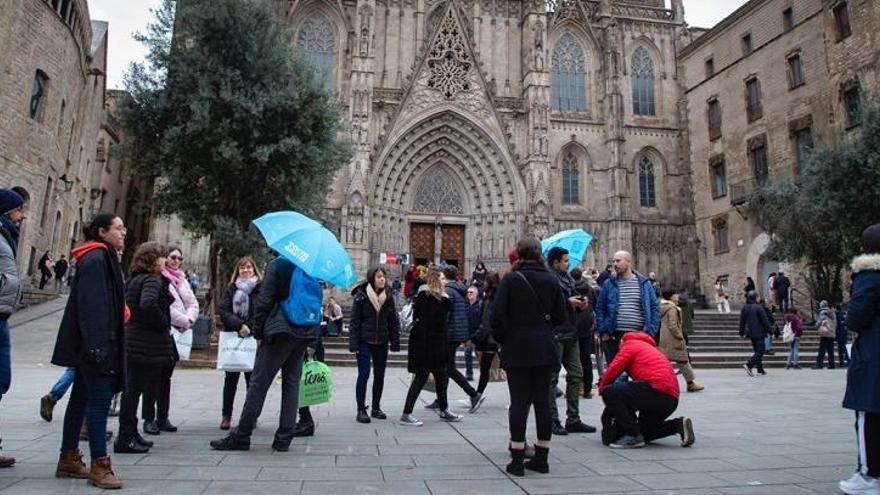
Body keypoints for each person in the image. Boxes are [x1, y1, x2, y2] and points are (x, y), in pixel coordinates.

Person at [210, 255, 317, 452]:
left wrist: (258, 333)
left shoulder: (278, 265)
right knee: (292, 385)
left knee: (258, 384)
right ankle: (284, 438)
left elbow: (264, 301)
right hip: (302, 332)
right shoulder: (308, 267)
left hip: (279, 331)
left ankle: (242, 436)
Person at [51, 213, 127, 489]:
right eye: (118, 228)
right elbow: (92, 306)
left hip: (92, 344)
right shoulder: (97, 259)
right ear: (102, 231)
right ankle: (99, 466)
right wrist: (98, 346)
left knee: (80, 399)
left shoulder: (101, 256)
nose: (124, 232)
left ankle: (68, 457)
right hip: (97, 345)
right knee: (98, 403)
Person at [491, 236, 567, 476]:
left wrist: (507, 338)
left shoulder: (511, 280)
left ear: (519, 254)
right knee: (543, 403)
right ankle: (542, 459)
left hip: (517, 348)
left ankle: (516, 460)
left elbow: (496, 318)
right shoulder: (551, 279)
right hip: (544, 348)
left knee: (519, 403)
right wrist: (543, 330)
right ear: (539, 254)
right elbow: (561, 318)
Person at [114, 242, 174, 455]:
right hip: (144, 342)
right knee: (134, 391)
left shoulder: (134, 279)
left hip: (132, 339)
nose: (165, 261)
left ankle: (130, 433)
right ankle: (125, 437)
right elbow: (148, 304)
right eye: (162, 257)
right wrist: (162, 323)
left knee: (132, 391)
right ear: (153, 260)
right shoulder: (151, 280)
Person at [597, 332, 696, 449]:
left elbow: (613, 369)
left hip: (656, 389)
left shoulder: (630, 345)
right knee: (644, 432)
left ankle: (633, 435)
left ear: (622, 342)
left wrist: (602, 388)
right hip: (671, 398)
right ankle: (678, 425)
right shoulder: (650, 348)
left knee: (609, 392)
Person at [839, 223, 880, 495]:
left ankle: (869, 475)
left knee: (868, 418)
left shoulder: (869, 277)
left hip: (873, 356)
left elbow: (855, 318)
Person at [140, 246, 197, 436]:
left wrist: (189, 319)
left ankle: (162, 417)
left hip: (178, 332)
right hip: (164, 330)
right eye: (173, 257)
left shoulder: (182, 279)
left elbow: (193, 303)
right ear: (164, 258)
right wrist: (183, 320)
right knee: (153, 377)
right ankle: (149, 417)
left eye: (179, 258)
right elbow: (164, 306)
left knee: (166, 376)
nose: (176, 261)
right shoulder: (159, 278)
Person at [401, 268, 460, 426]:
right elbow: (438, 320)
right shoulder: (438, 300)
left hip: (427, 343)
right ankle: (406, 414)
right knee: (421, 378)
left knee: (440, 376)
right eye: (442, 278)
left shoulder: (422, 297)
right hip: (429, 344)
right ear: (435, 281)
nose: (445, 281)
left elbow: (418, 317)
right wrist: (446, 301)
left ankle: (444, 409)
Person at [546, 247, 594, 436]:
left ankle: (573, 419)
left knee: (576, 374)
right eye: (565, 260)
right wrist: (568, 303)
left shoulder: (567, 279)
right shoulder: (549, 280)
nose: (568, 263)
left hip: (571, 332)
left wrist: (582, 304)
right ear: (555, 262)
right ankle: (552, 420)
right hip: (556, 334)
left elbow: (571, 298)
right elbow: (548, 305)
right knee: (552, 378)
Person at [426, 266, 485, 413]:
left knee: (448, 368)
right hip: (457, 333)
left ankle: (473, 394)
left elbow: (444, 315)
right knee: (445, 367)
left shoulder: (448, 292)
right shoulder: (462, 290)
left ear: (445, 276)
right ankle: (441, 400)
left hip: (448, 333)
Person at [348, 266, 401, 424]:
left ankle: (376, 407)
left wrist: (395, 341)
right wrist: (354, 343)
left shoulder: (388, 296)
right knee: (363, 374)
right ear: (372, 278)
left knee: (380, 376)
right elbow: (355, 321)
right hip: (365, 341)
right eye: (379, 276)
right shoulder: (361, 296)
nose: (382, 279)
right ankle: (361, 409)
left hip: (382, 341)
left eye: (384, 276)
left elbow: (393, 320)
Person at [217, 256, 262, 430]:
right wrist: (239, 325)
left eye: (249, 267)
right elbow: (224, 310)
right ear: (238, 270)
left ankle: (250, 416)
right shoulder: (231, 288)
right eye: (242, 268)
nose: (246, 270)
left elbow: (261, 309)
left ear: (254, 270)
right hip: (233, 336)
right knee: (230, 380)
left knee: (252, 381)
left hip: (252, 337)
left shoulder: (260, 288)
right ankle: (226, 415)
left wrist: (249, 327)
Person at [595, 251, 661, 365]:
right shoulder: (608, 284)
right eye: (613, 261)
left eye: (618, 261)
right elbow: (600, 308)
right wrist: (603, 331)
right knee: (616, 374)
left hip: (639, 335)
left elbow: (655, 307)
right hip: (614, 335)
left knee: (639, 371)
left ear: (628, 262)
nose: (615, 264)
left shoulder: (644, 283)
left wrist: (651, 331)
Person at [0, 188, 27, 469]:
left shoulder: (7, 237)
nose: (22, 216)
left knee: (1, 380)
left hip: (3, 316)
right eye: (19, 211)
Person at [659, 289, 703, 392]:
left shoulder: (663, 307)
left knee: (665, 361)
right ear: (671, 297)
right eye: (675, 294)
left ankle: (663, 383)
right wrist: (680, 336)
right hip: (673, 339)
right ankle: (690, 384)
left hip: (664, 338)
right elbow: (673, 325)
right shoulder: (672, 308)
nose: (677, 296)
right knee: (683, 360)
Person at [472, 272, 500, 397]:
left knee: (485, 368)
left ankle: (477, 395)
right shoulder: (497, 296)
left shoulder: (490, 298)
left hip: (490, 339)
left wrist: (477, 336)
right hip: (495, 337)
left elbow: (486, 319)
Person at [571, 268, 597, 398]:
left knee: (573, 359)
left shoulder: (570, 288)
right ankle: (587, 388)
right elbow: (594, 306)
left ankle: (576, 388)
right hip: (587, 326)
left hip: (573, 326)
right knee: (585, 357)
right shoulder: (590, 288)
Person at [739, 292, 770, 376]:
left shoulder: (745, 308)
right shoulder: (759, 308)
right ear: (755, 298)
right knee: (761, 351)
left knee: (757, 351)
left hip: (751, 333)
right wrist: (770, 331)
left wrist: (741, 332)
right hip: (759, 332)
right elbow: (765, 321)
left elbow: (742, 322)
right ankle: (749, 365)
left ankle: (760, 369)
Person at [814, 300, 838, 370]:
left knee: (822, 349)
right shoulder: (833, 313)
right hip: (832, 333)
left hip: (825, 332)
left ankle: (819, 364)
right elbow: (835, 324)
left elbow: (820, 320)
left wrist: (816, 325)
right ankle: (832, 364)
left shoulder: (823, 312)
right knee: (830, 349)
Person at [465, 286, 481, 381]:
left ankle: (483, 372)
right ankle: (469, 373)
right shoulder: (465, 305)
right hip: (468, 334)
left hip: (478, 333)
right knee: (467, 354)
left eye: (471, 292)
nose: (469, 294)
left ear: (476, 294)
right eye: (468, 292)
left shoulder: (480, 304)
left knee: (479, 354)